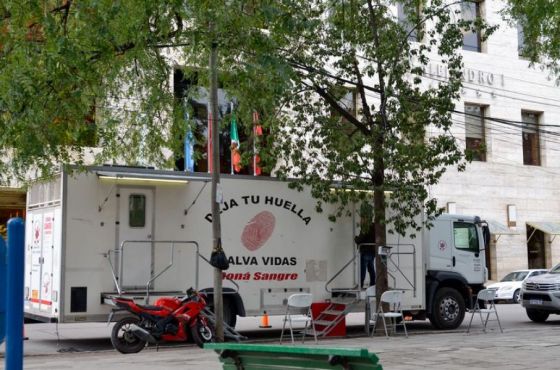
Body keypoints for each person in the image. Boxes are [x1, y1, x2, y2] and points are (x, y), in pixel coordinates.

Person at [355, 203, 376, 289]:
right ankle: (372, 285)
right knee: (371, 269)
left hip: (365, 251)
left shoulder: (366, 226)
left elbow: (360, 239)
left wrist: (355, 238)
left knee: (363, 270)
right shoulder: (374, 226)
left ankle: (361, 285)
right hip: (372, 251)